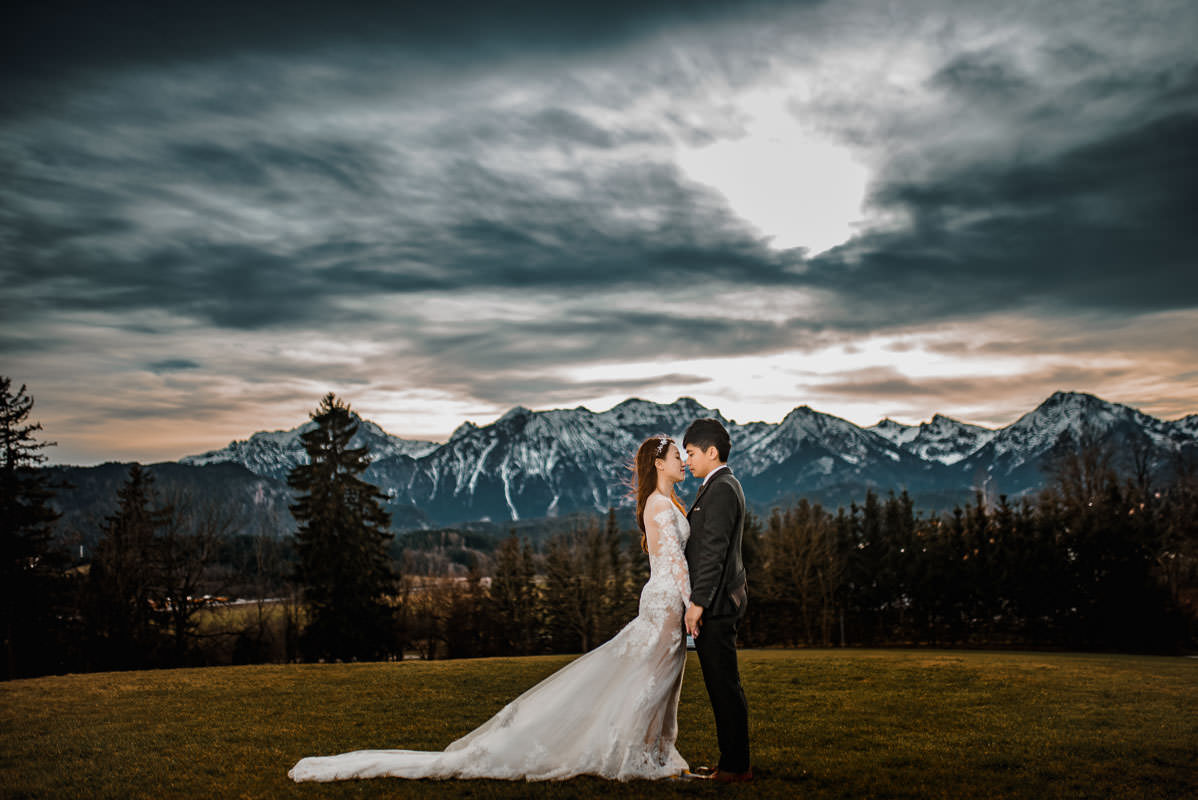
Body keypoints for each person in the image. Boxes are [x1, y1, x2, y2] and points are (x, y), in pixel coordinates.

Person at [288, 434, 695, 782]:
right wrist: (692, 601)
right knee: (651, 681)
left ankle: (650, 753)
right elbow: (675, 561)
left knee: (656, 681)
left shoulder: (664, 502)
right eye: (678, 456)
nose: (683, 462)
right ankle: (638, 757)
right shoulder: (659, 505)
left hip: (663, 600)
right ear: (659, 463)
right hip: (665, 602)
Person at [682, 417, 752, 783]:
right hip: (722, 599)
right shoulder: (718, 485)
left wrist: (698, 603)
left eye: (691, 453)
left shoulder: (722, 488)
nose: (687, 460)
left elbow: (714, 551)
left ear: (712, 452)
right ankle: (733, 762)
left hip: (719, 605)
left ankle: (736, 768)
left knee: (723, 686)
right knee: (723, 685)